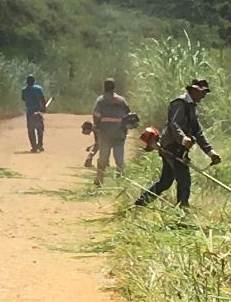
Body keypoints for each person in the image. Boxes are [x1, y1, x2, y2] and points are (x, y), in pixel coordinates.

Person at [134, 78, 222, 208]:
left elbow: (198, 132)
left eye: (205, 93)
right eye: (202, 92)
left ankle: (140, 203)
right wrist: (183, 139)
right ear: (193, 90)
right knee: (184, 179)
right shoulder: (179, 103)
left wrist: (211, 152)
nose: (204, 95)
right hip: (171, 147)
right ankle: (183, 210)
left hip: (179, 148)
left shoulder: (192, 107)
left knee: (166, 181)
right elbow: (174, 124)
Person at [91, 78, 130, 185]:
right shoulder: (121, 100)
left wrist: (97, 127)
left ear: (104, 87)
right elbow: (128, 116)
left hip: (105, 134)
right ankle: (120, 181)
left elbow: (96, 116)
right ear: (114, 87)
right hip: (119, 134)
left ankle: (99, 179)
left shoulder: (100, 100)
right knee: (119, 158)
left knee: (103, 157)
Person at [21, 74, 47, 152]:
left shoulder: (24, 90)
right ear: (34, 81)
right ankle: (40, 145)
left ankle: (34, 146)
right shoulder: (39, 88)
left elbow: (23, 99)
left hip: (30, 112)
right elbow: (42, 99)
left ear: (27, 82)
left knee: (31, 129)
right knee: (40, 129)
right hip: (38, 111)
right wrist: (44, 107)